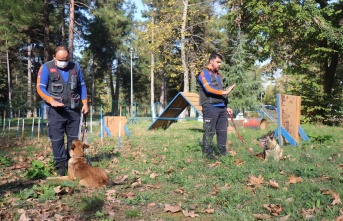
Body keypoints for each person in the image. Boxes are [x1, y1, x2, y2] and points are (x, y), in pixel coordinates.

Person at [36, 46, 88, 175]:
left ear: (69, 57)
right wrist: (50, 100)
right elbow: (40, 87)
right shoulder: (46, 68)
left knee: (73, 139)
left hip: (73, 109)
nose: (63, 62)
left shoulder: (75, 67)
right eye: (60, 59)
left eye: (65, 59)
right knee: (57, 139)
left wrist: (85, 103)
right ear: (54, 57)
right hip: (55, 111)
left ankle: (73, 164)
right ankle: (61, 165)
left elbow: (82, 85)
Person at [197, 52, 236, 160]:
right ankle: (207, 153)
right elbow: (209, 89)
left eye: (220, 62)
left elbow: (222, 92)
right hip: (210, 107)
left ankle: (222, 153)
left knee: (222, 131)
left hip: (222, 108)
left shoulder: (219, 76)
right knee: (209, 131)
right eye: (218, 62)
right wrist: (224, 92)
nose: (220, 64)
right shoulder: (203, 74)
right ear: (211, 61)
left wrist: (226, 106)